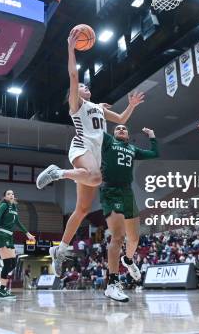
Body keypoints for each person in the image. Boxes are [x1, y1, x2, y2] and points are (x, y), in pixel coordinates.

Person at [35, 29, 144, 276]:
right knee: (95, 177)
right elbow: (73, 75)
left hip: (96, 154)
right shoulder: (77, 105)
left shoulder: (98, 107)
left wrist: (132, 105)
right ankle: (58, 172)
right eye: (82, 86)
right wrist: (71, 49)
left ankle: (59, 249)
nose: (85, 87)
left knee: (82, 209)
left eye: (85, 86)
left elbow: (121, 119)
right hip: (82, 148)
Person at [99, 125, 159, 302]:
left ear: (128, 134)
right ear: (113, 134)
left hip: (127, 192)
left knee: (134, 238)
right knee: (117, 237)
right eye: (117, 128)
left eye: (124, 128)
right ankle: (112, 284)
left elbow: (154, 153)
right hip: (110, 191)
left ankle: (128, 260)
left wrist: (152, 136)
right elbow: (90, 126)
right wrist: (99, 111)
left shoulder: (133, 149)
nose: (121, 129)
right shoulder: (108, 141)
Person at [0, 190, 35, 300]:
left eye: (13, 194)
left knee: (12, 264)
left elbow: (17, 222)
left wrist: (28, 233)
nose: (11, 195)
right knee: (9, 263)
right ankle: (2, 290)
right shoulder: (4, 205)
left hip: (9, 236)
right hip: (1, 234)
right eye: (8, 194)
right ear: (5, 197)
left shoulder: (14, 208)